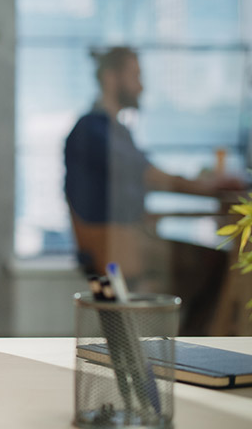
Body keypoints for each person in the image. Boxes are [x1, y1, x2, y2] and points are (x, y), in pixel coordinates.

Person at [64, 46, 242, 334]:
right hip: (116, 250)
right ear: (111, 78)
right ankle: (195, 351)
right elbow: (148, 175)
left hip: (128, 241)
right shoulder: (92, 129)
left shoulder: (114, 130)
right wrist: (206, 187)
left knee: (215, 264)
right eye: (135, 75)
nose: (141, 85)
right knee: (218, 264)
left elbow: (138, 180)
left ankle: (191, 350)